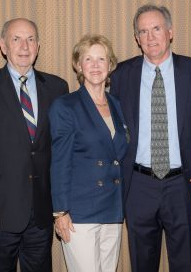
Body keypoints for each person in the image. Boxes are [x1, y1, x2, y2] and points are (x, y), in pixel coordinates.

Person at [109, 4, 191, 272]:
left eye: (156, 28)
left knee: (184, 264)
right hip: (138, 186)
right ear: (137, 39)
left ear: (170, 32)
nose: (150, 37)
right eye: (143, 31)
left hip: (184, 184)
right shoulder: (120, 75)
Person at [0, 18, 69, 272]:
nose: (24, 46)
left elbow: (62, 151)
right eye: (16, 39)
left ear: (38, 45)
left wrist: (61, 206)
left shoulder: (57, 87)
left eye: (31, 39)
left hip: (42, 211)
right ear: (3, 46)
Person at [49, 34, 129, 272]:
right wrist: (60, 212)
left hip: (112, 209)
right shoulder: (66, 106)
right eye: (88, 59)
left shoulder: (117, 105)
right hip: (79, 213)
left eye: (101, 59)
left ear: (110, 65)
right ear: (78, 65)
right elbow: (59, 162)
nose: (95, 65)